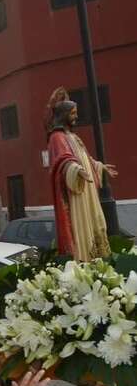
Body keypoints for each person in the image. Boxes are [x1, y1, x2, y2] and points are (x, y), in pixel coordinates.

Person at [47, 88, 117, 261]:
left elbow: (85, 157)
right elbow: (62, 161)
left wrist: (99, 166)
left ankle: (98, 259)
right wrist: (76, 170)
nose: (76, 117)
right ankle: (85, 260)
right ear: (64, 115)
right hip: (76, 193)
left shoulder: (73, 136)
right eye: (73, 113)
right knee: (82, 225)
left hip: (87, 191)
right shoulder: (56, 137)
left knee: (96, 221)